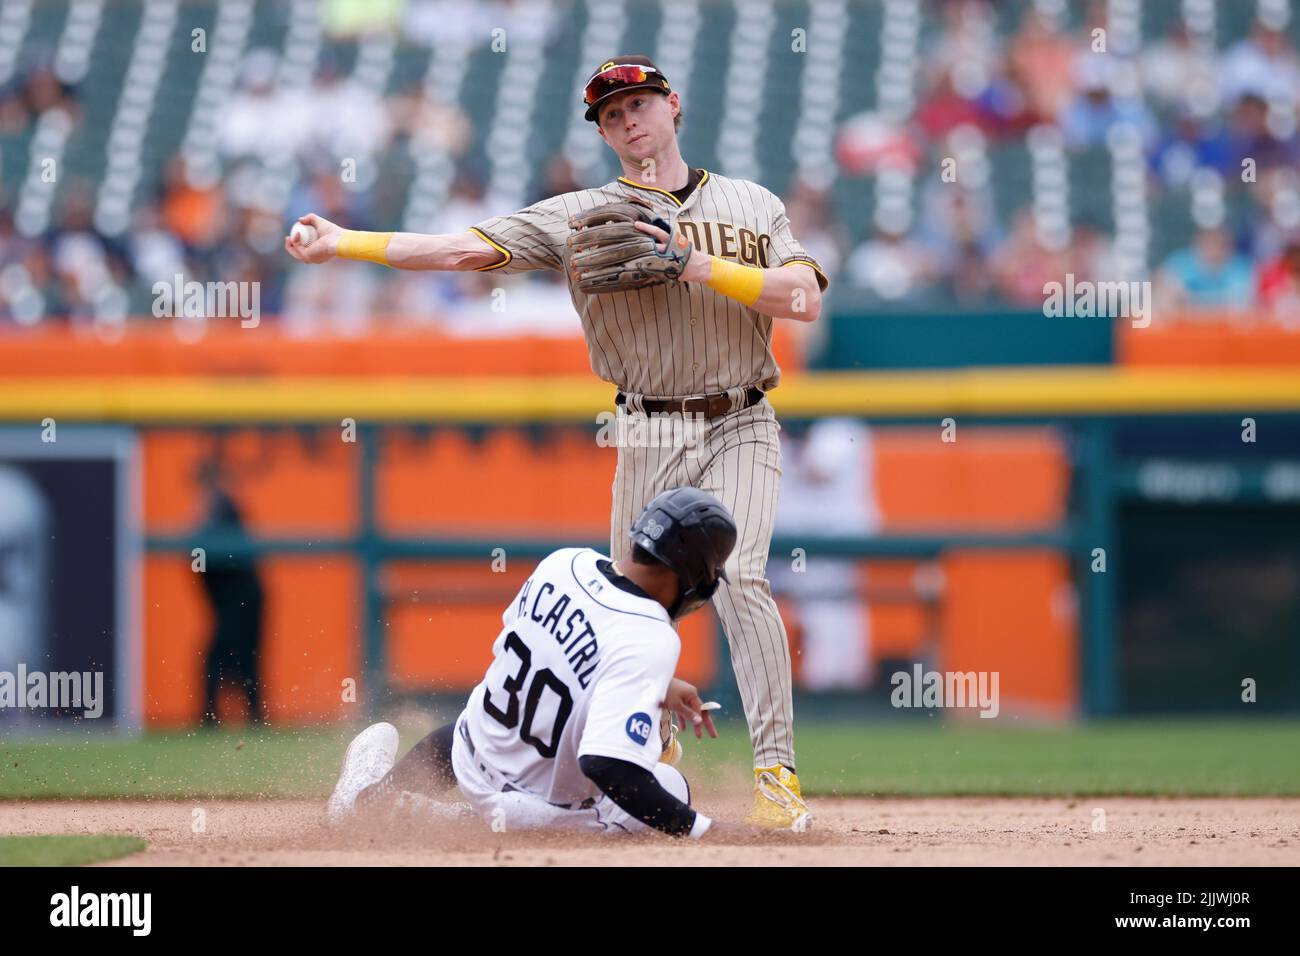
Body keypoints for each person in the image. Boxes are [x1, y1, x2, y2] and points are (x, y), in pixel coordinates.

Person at [288, 55, 828, 827]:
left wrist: (693, 263)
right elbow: (463, 250)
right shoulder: (580, 213)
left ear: (674, 106)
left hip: (740, 413)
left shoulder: (750, 203)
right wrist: (345, 242)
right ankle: (643, 759)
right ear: (603, 133)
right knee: (631, 616)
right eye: (611, 115)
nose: (629, 121)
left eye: (640, 104)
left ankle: (775, 775)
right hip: (644, 423)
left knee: (740, 578)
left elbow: (802, 295)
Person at [325, 488, 809, 837]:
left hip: (472, 755)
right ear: (693, 577)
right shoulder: (652, 637)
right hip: (530, 812)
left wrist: (657, 684)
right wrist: (710, 831)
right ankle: (433, 820)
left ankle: (373, 798)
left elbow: (557, 659)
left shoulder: (563, 562)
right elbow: (607, 765)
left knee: (479, 718)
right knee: (670, 787)